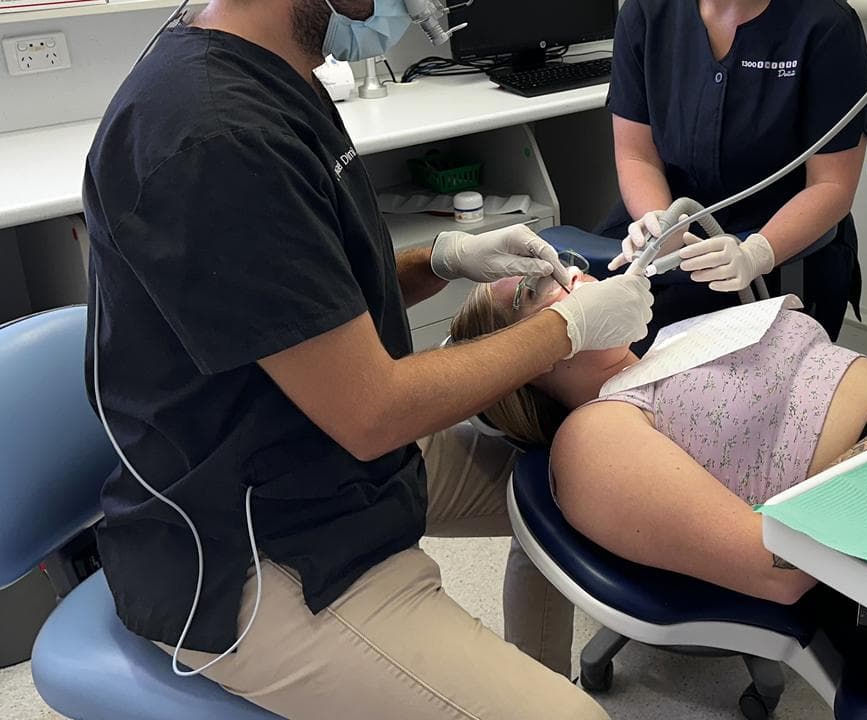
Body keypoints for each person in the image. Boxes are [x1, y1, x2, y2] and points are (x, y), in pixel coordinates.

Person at [82, 1, 654, 718]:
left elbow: (312, 300)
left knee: (581, 485)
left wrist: (441, 260)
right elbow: (373, 411)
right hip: (253, 544)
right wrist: (567, 328)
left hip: (315, 455)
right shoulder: (214, 134)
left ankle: (530, 677)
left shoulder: (286, 70)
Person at [450, 270, 867, 602]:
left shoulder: (669, 345)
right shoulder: (595, 434)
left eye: (561, 265)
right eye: (533, 287)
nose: (569, 274)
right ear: (519, 363)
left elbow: (817, 390)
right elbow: (778, 569)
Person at [600, 0, 867, 351]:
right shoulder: (646, 13)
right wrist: (660, 224)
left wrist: (756, 254)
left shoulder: (826, 25)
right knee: (586, 342)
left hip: (780, 254)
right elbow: (637, 155)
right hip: (667, 242)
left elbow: (832, 184)